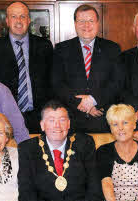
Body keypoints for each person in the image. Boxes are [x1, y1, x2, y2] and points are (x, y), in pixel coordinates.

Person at [17, 100, 104, 201]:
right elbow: (26, 193)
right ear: (42, 125)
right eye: (51, 120)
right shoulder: (27, 148)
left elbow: (95, 189)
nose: (57, 126)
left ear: (68, 124)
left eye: (62, 120)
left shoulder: (85, 143)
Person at [51, 4, 122, 133]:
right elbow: (57, 84)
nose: (86, 25)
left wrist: (94, 100)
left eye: (91, 21)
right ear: (75, 24)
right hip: (71, 119)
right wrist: (83, 104)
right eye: (81, 21)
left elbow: (116, 83)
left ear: (98, 23)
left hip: (102, 118)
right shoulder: (61, 49)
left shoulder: (112, 49)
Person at [0, 1, 53, 133]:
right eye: (14, 16)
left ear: (29, 20)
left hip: (39, 117)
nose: (18, 21)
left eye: (22, 16)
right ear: (7, 20)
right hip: (5, 117)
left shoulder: (44, 46)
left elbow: (52, 80)